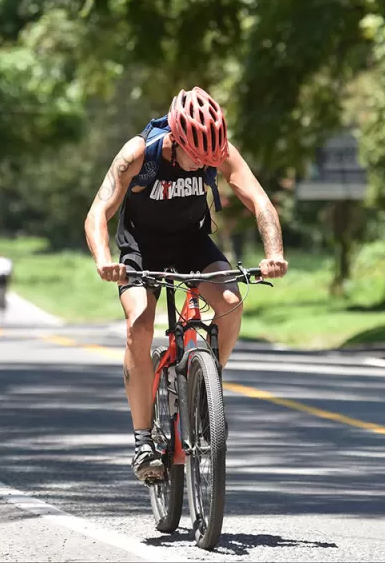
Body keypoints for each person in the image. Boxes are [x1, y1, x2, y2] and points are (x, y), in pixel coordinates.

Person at [84, 86, 289, 483]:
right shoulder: (138, 154)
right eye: (197, 155)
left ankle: (206, 384)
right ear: (176, 138)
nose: (204, 164)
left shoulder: (218, 151)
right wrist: (104, 261)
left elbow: (260, 201)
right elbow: (98, 213)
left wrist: (274, 253)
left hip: (191, 242)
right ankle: (144, 441)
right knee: (139, 327)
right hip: (140, 248)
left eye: (211, 157)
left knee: (231, 302)